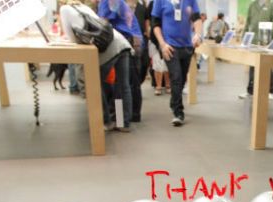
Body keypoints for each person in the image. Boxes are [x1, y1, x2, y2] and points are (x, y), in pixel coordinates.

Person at [61, 2, 134, 132]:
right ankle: (123, 123)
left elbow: (73, 39)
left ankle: (105, 121)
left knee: (93, 83)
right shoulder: (83, 7)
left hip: (107, 51)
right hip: (120, 43)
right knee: (122, 86)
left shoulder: (64, 9)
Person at [151, 0, 203, 126]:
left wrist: (197, 34)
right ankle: (178, 112)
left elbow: (196, 18)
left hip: (187, 46)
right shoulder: (160, 1)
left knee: (182, 78)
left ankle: (174, 102)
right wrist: (162, 44)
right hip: (169, 46)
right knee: (176, 77)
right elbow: (155, 24)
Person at [98, 0, 145, 123]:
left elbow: (103, 24)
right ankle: (124, 121)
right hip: (130, 42)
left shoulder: (108, 1)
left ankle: (120, 119)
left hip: (122, 42)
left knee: (118, 85)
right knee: (124, 84)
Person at [240, 0, 273, 99]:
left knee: (267, 65)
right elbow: (248, 22)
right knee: (252, 65)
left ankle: (272, 90)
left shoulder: (272, 4)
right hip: (253, 40)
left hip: (266, 40)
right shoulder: (252, 5)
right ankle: (250, 90)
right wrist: (244, 38)